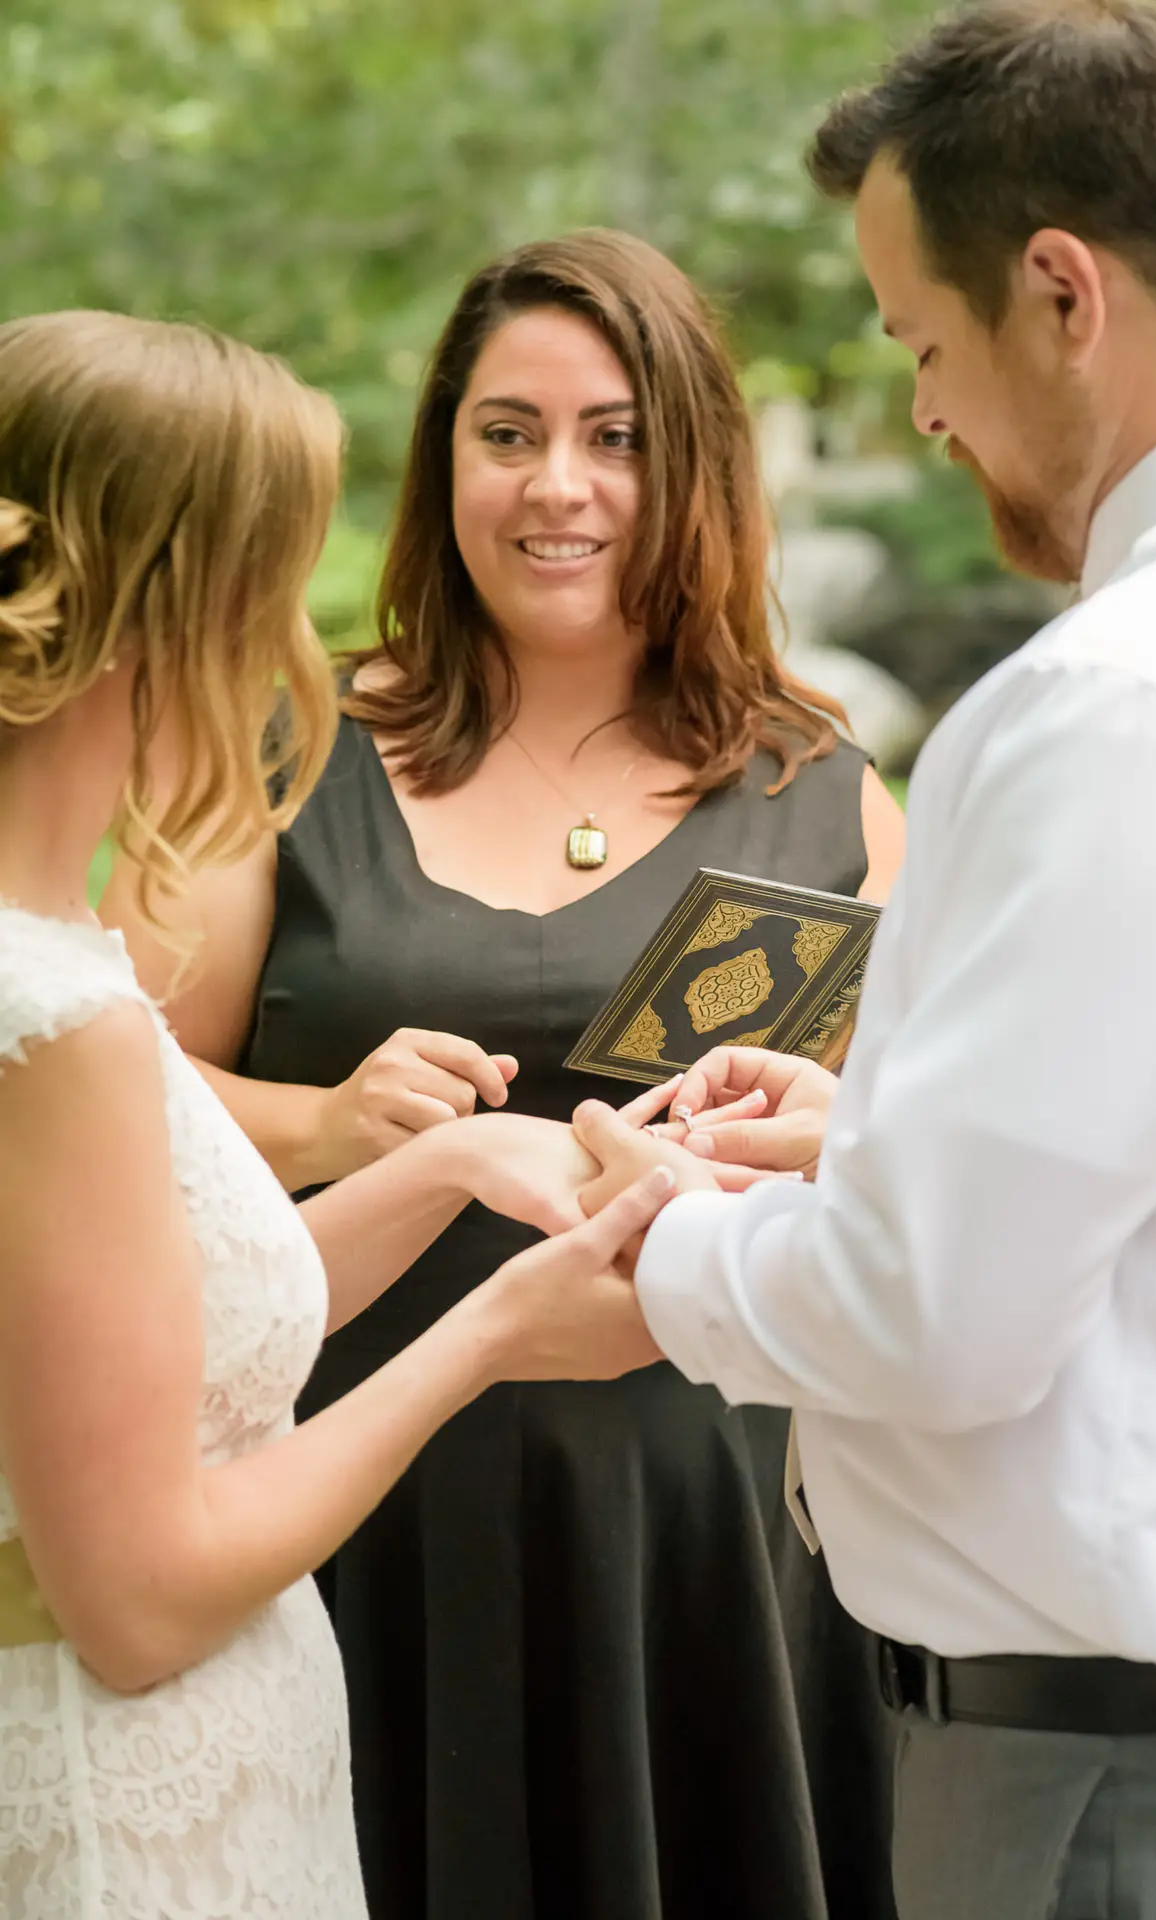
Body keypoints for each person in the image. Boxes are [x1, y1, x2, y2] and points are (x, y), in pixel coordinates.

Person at [570, 6, 1156, 1918]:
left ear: (1061, 292)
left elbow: (934, 1320)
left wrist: (663, 1239)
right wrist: (875, 1127)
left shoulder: (1128, 695)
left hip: (1135, 1797)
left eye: (920, 344)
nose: (925, 415)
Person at [103, 228, 905, 1920]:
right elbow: (103, 1098)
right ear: (443, 457)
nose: (561, 486)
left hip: (707, 1554)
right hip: (345, 1498)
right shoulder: (281, 744)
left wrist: (801, 1145)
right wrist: (320, 1121)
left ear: (692, 464)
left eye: (615, 436)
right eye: (507, 432)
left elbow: (912, 1163)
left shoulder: (826, 785)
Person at [0, 305, 688, 1920]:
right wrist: (495, 1336)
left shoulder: (56, 954)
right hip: (132, 1827)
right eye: (267, 588)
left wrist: (449, 1167)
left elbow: (165, 1350)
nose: (291, 650)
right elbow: (144, 1597)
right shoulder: (60, 1023)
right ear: (167, 612)